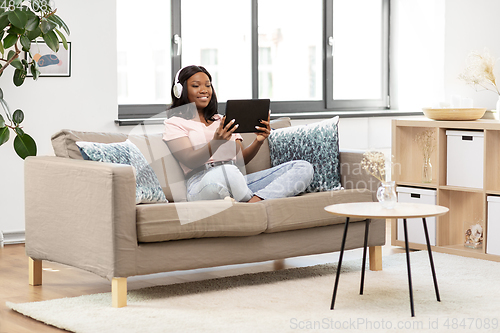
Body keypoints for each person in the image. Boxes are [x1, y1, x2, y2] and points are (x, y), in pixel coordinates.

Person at [163, 65, 313, 203]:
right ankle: (255, 202)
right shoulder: (175, 123)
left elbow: (241, 159)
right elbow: (190, 160)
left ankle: (253, 203)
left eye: (208, 85)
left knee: (303, 167)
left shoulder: (222, 120)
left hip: (236, 178)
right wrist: (216, 142)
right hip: (201, 183)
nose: (204, 90)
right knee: (228, 171)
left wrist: (259, 141)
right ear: (180, 91)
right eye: (196, 86)